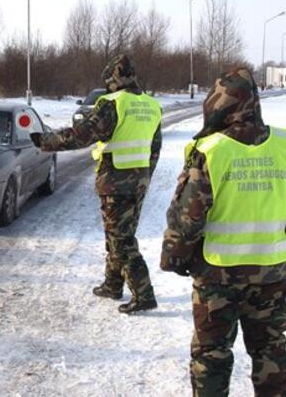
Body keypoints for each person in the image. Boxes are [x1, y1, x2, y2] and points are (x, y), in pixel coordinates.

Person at [160, 67, 286, 395]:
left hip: (218, 278)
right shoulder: (284, 145)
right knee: (271, 351)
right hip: (272, 275)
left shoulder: (212, 151)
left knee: (211, 355)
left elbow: (186, 219)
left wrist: (173, 257)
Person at [31, 54, 162, 314]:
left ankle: (144, 294)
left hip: (116, 181)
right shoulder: (151, 105)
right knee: (117, 236)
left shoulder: (113, 104)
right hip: (137, 181)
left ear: (112, 79)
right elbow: (155, 147)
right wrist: (145, 175)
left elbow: (81, 136)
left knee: (120, 241)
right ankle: (113, 284)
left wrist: (46, 141)